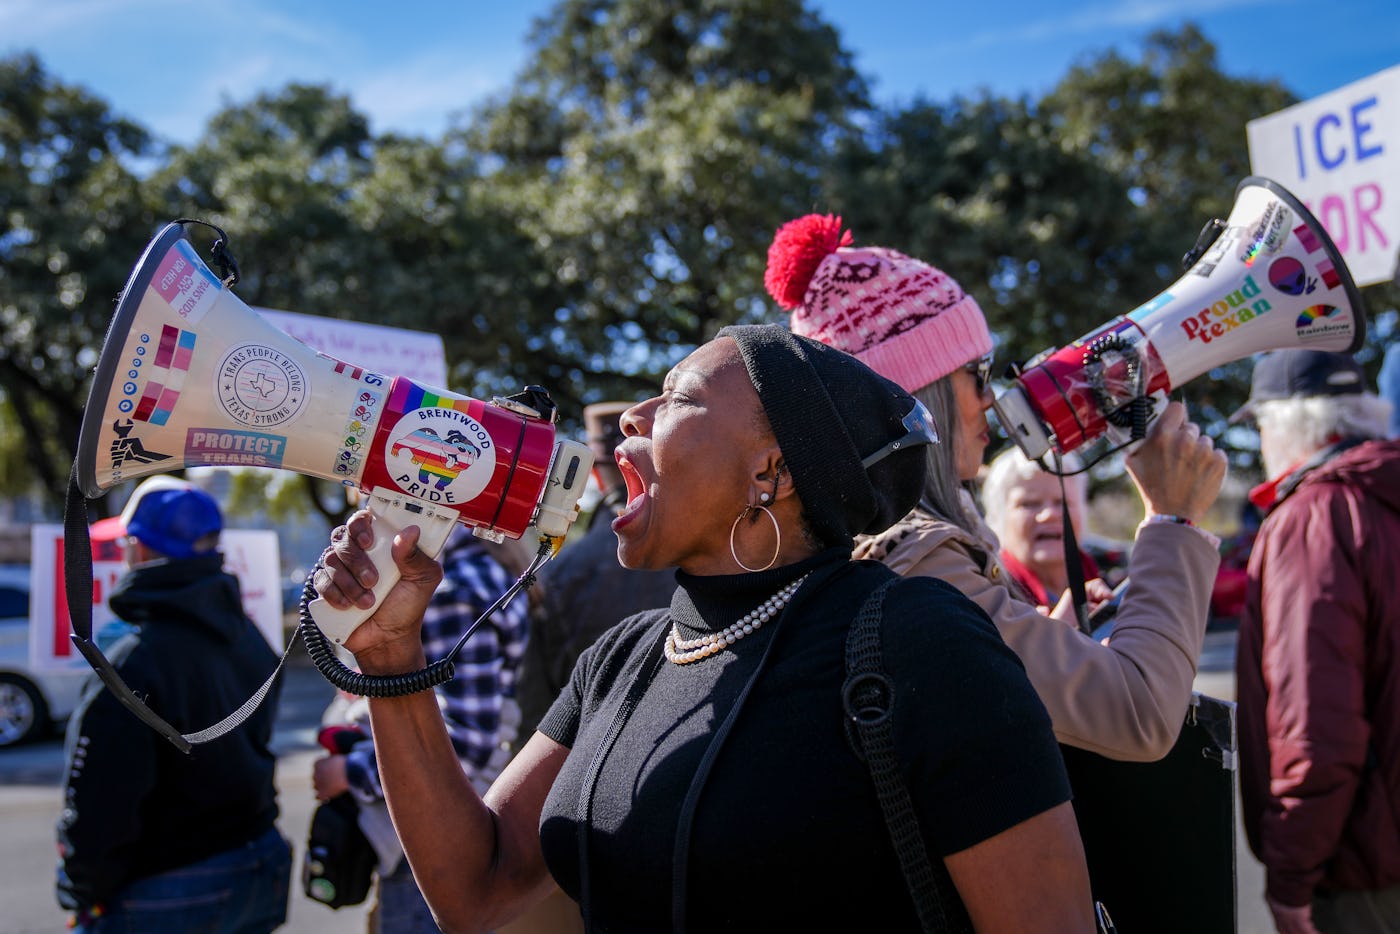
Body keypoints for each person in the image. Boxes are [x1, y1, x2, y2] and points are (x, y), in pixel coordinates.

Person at [314, 324, 1094, 931]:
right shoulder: (621, 660)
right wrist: (389, 659)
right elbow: (473, 890)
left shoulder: (923, 640)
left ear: (772, 474)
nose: (631, 420)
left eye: (676, 398)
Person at [764, 213, 1227, 761]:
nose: (991, 397)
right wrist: (1171, 519)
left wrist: (1041, 635)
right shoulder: (923, 566)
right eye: (976, 372)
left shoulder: (878, 546)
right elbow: (1140, 713)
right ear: (920, 393)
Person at [56, 477, 291, 933]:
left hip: (171, 885)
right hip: (260, 860)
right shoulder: (248, 634)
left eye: (127, 543)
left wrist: (82, 892)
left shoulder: (135, 661)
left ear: (141, 552)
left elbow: (99, 806)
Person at [1230, 349, 1400, 934]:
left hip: (1367, 869)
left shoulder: (1317, 516)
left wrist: (1290, 879)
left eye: (1259, 426)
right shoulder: (1383, 498)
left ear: (1288, 422)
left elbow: (1316, 727)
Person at [312, 522, 530, 933]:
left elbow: (466, 743)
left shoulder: (454, 592)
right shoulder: (477, 568)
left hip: (433, 840)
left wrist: (350, 773)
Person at [514, 401, 677, 744]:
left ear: (593, 473)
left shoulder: (556, 569)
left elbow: (533, 707)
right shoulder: (704, 549)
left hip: (582, 761)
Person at [980, 445, 1099, 615]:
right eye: (1029, 504)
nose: (1049, 515)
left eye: (1062, 502)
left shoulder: (1114, 588)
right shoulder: (989, 601)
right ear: (999, 516)